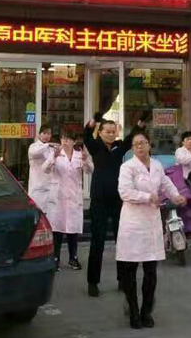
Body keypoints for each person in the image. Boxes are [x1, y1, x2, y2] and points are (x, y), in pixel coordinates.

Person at [117, 132, 186, 328]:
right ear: (132, 148)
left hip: (151, 223)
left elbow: (165, 184)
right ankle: (133, 311)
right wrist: (147, 197)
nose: (140, 146)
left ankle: (146, 311)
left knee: (151, 270)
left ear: (149, 145)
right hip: (133, 223)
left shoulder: (156, 165)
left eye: (143, 143)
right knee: (130, 270)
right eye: (136, 144)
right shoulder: (127, 167)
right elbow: (125, 192)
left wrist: (176, 196)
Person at [83, 112, 144, 297]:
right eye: (107, 131)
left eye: (113, 131)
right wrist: (94, 121)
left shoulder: (120, 147)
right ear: (100, 132)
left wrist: (140, 123)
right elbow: (86, 135)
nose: (110, 134)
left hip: (118, 200)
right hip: (99, 200)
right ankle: (93, 282)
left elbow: (132, 137)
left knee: (122, 241)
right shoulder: (95, 146)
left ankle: (122, 280)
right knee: (97, 242)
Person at [44, 126, 93, 271]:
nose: (65, 141)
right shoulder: (55, 154)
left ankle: (73, 258)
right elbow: (45, 169)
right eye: (63, 138)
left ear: (74, 141)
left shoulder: (80, 155)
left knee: (72, 229)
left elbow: (90, 170)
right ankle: (55, 258)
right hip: (58, 197)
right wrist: (53, 157)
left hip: (73, 198)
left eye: (68, 139)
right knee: (57, 230)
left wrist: (86, 160)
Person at [27, 124, 57, 222]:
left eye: (49, 133)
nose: (47, 136)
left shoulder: (52, 149)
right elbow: (35, 153)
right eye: (44, 133)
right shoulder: (33, 146)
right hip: (37, 188)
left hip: (50, 188)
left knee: (50, 220)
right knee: (38, 218)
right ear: (39, 134)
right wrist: (47, 145)